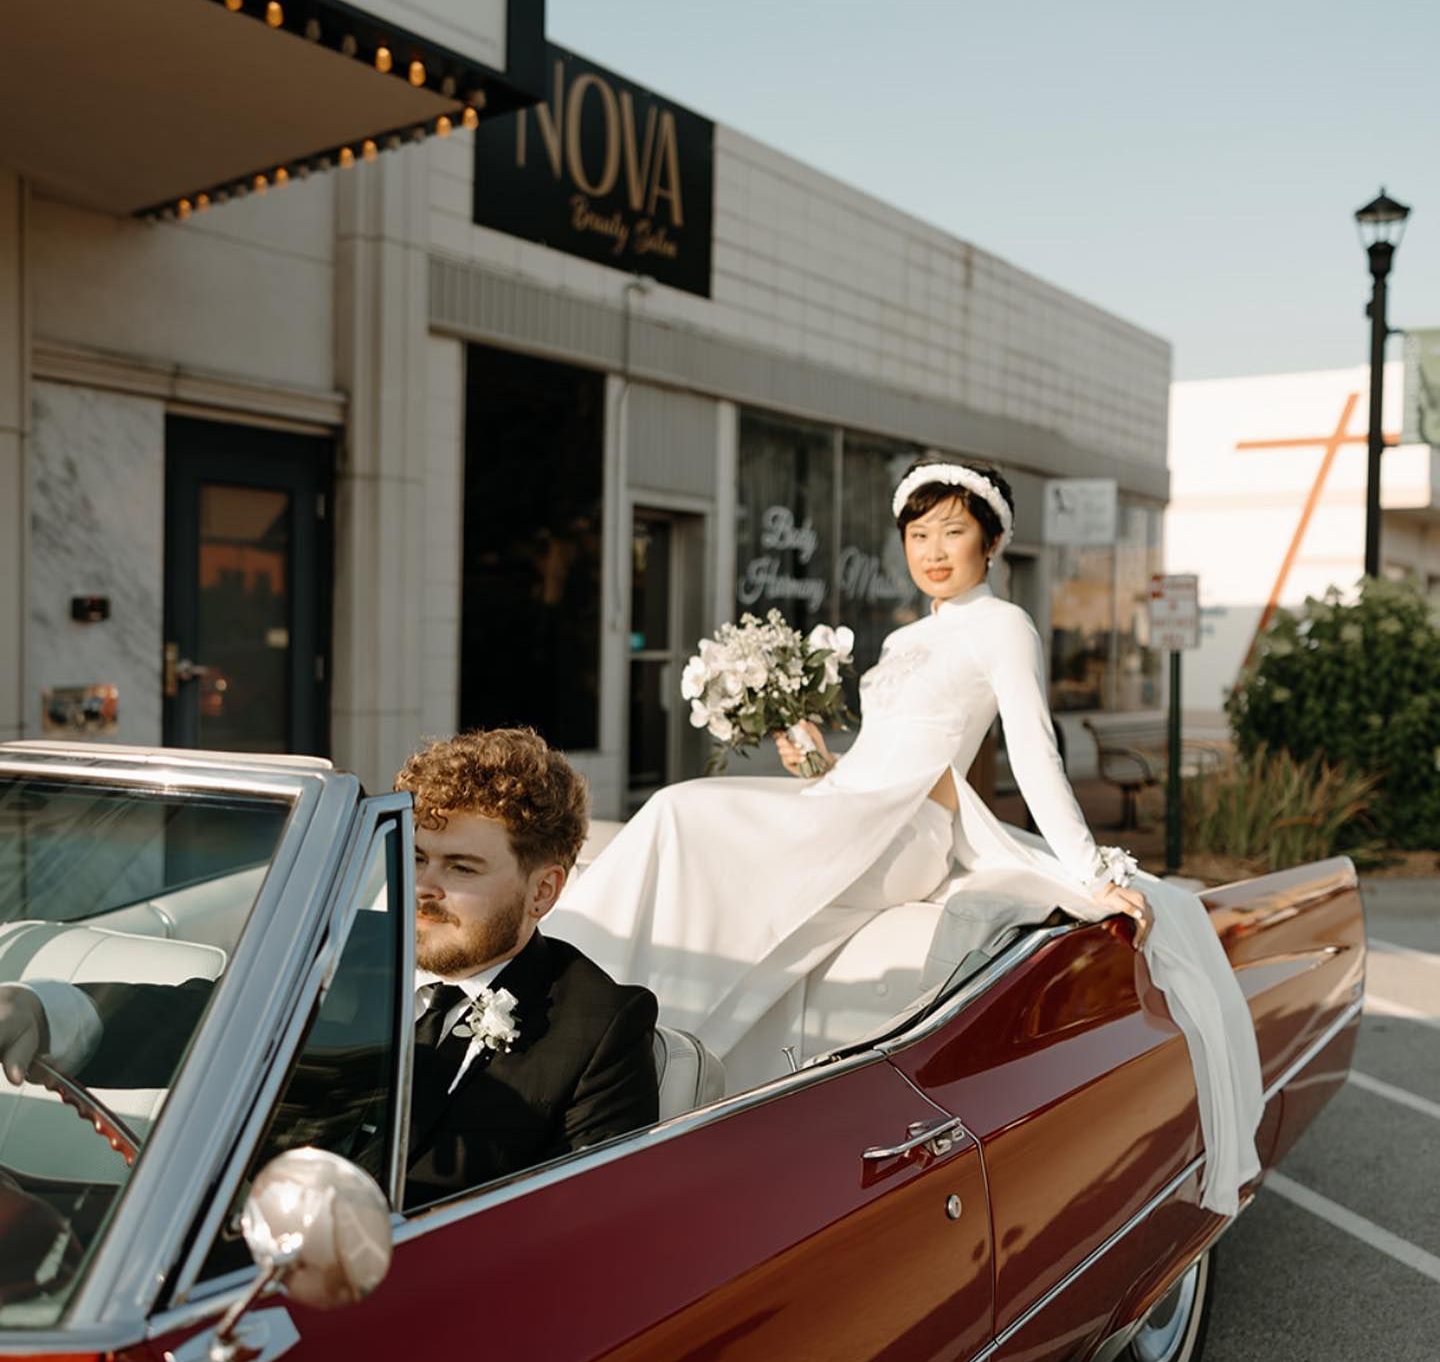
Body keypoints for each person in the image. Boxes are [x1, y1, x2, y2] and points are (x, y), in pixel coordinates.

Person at [550, 456, 1263, 1217]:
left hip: (911, 826)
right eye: (918, 533)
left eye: (952, 531)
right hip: (855, 801)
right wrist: (816, 758)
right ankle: (584, 1016)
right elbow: (871, 763)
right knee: (677, 812)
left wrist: (1091, 872)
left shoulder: (1004, 626)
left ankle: (615, 1044)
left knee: (688, 816)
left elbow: (1032, 751)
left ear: (990, 543)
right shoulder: (902, 641)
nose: (932, 549)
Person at [0, 728, 659, 1202]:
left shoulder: (601, 1022)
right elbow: (193, 1018)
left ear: (542, 890)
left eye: (460, 867)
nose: (423, 888)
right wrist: (47, 1012)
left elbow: (594, 1223)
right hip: (235, 1270)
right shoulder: (343, 948)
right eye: (415, 859)